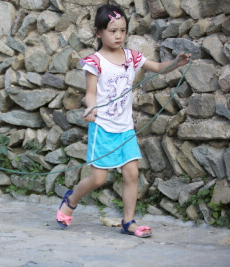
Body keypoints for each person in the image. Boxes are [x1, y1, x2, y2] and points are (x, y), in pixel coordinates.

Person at [56, 4, 191, 238]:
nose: (118, 35)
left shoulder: (131, 57)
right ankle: (71, 201)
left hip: (125, 127)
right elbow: (90, 93)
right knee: (98, 178)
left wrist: (176, 64)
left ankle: (128, 222)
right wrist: (91, 107)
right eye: (112, 30)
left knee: (132, 174)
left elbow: (158, 67)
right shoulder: (95, 62)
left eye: (122, 30)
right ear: (98, 32)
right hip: (103, 127)